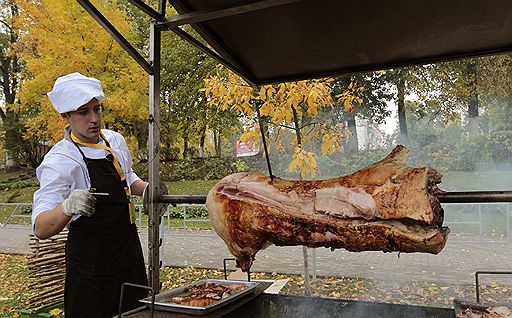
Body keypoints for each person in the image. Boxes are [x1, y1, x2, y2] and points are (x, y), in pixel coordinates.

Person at [32, 72, 149, 317]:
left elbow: (127, 178)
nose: (94, 119)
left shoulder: (114, 141)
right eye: (84, 112)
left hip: (128, 252)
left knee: (137, 312)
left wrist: (148, 189)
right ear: (66, 116)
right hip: (92, 267)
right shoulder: (60, 160)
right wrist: (67, 206)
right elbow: (42, 228)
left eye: (97, 109)